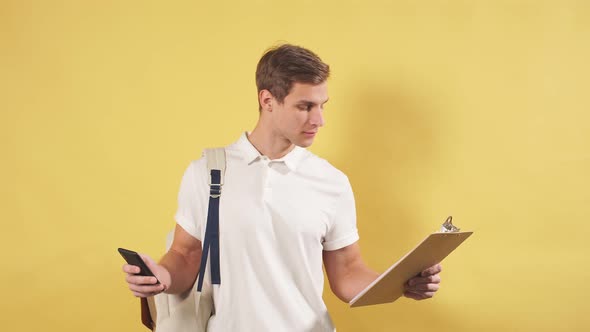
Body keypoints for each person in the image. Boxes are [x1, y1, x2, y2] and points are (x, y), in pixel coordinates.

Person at [122, 44, 442, 331]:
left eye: (323, 105)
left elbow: (347, 273)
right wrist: (159, 278)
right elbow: (185, 255)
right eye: (305, 106)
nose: (319, 119)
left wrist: (401, 283)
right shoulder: (206, 172)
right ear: (268, 100)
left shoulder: (331, 182)